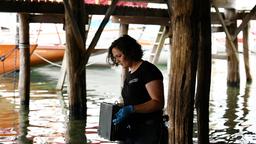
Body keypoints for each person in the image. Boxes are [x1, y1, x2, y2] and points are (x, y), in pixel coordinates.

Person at [107, 34, 167, 144]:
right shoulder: (130, 74)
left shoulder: (148, 70)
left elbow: (158, 102)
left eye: (119, 56)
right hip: (132, 130)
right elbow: (135, 99)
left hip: (149, 131)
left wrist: (131, 109)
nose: (117, 60)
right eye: (115, 57)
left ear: (130, 52)